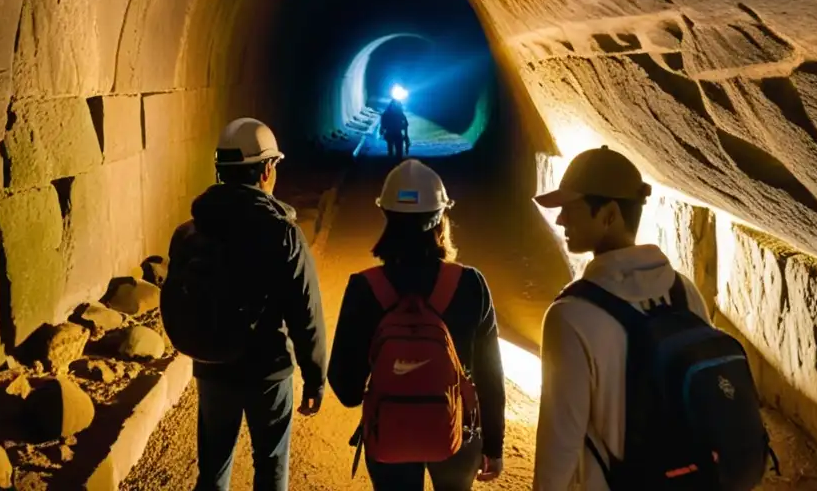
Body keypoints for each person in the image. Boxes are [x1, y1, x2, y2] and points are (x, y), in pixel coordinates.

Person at [531, 146, 772, 491]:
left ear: (609, 214)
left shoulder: (570, 316)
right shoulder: (683, 291)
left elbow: (561, 439)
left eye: (571, 208)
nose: (561, 220)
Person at [167, 118, 327, 491]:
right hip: (267, 372)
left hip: (213, 367)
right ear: (267, 169)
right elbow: (306, 312)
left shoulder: (189, 232)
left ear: (220, 171)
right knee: (270, 467)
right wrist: (315, 376)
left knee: (213, 468)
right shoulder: (283, 233)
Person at [328, 159, 505, 490]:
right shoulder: (470, 284)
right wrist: (493, 445)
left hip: (390, 433)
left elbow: (345, 385)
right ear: (441, 217)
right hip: (457, 433)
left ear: (386, 217)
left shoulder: (366, 287)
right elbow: (490, 376)